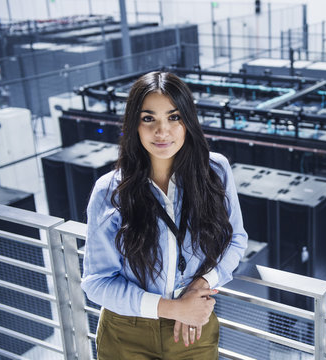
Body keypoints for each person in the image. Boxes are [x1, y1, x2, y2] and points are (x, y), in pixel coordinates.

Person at [81, 71, 248, 359]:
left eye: (174, 117)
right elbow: (96, 282)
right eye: (149, 119)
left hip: (192, 328)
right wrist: (171, 308)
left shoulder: (215, 172)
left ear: (188, 121)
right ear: (134, 124)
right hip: (126, 330)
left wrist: (203, 282)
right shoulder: (110, 191)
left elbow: (235, 241)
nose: (162, 131)